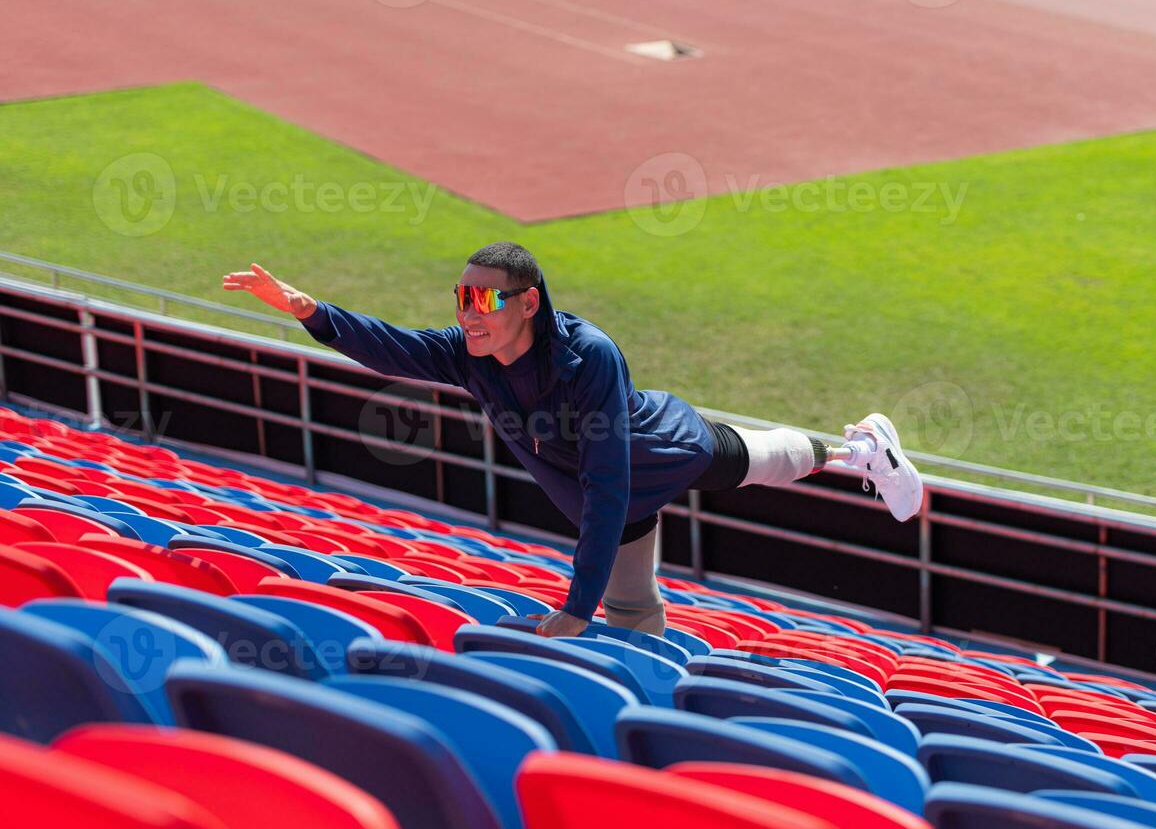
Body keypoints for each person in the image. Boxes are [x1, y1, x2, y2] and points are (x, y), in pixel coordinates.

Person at [223, 242, 923, 638]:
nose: (470, 313)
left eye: (485, 299)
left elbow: (610, 485)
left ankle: (859, 450)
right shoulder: (467, 352)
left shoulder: (590, 358)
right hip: (602, 498)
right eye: (461, 298)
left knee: (759, 461)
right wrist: (306, 309)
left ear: (529, 302)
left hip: (657, 451)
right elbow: (392, 349)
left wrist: (571, 609)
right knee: (631, 611)